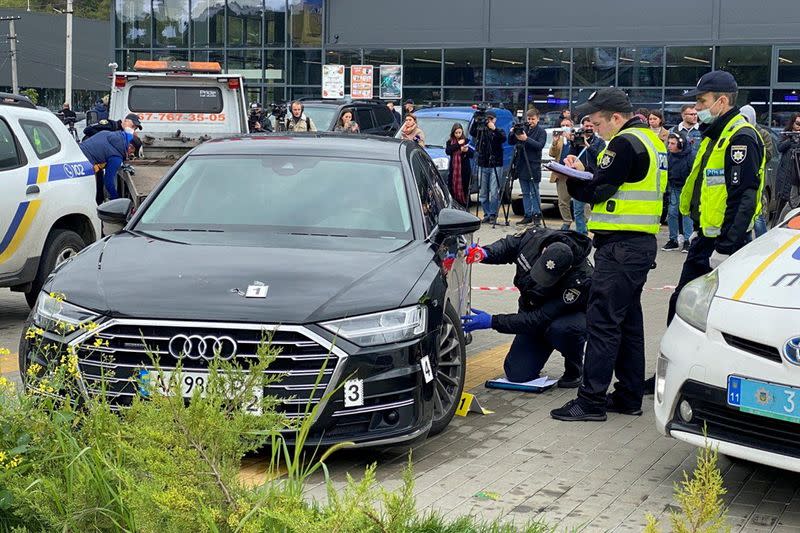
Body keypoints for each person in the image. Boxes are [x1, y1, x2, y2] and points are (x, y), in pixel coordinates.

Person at [550, 88, 666, 422]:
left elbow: (600, 189)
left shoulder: (623, 142)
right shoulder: (652, 141)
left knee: (602, 323)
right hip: (638, 245)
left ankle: (591, 401)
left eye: (598, 122)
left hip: (620, 248)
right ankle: (629, 396)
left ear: (616, 117)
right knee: (628, 323)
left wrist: (569, 178)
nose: (595, 129)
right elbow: (615, 180)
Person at [667, 70, 765, 325]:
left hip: (723, 244)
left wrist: (725, 247)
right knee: (684, 305)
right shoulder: (715, 133)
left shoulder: (740, 137)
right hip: (706, 237)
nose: (698, 107)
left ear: (721, 101)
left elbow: (744, 197)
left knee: (699, 310)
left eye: (702, 101)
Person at [461, 227, 593, 388]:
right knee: (517, 374)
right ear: (544, 251)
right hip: (532, 310)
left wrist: (493, 321)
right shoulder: (534, 238)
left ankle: (575, 368)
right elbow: (508, 246)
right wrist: (485, 252)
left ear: (566, 269)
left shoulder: (580, 280)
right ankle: (541, 344)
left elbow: (539, 318)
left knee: (562, 330)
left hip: (563, 318)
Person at [508, 108, 547, 226]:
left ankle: (536, 215)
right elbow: (511, 142)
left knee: (534, 191)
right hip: (522, 165)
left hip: (533, 164)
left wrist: (526, 139)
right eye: (529, 119)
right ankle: (527, 214)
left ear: (538, 119)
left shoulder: (541, 132)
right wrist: (512, 132)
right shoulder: (523, 129)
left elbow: (539, 145)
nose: (530, 121)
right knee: (525, 192)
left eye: (533, 119)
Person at [740, 105, 774, 237]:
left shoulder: (763, 134)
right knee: (743, 214)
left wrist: (754, 152)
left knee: (757, 214)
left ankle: (762, 240)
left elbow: (769, 155)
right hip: (741, 176)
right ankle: (746, 242)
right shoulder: (739, 132)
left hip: (757, 177)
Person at [570, 115, 606, 235]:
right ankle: (581, 234)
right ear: (582, 127)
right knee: (578, 210)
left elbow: (600, 157)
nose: (589, 128)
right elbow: (571, 157)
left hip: (594, 177)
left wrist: (588, 146)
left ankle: (597, 232)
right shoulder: (577, 139)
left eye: (591, 126)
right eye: (587, 126)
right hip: (579, 177)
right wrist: (574, 143)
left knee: (595, 208)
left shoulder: (599, 142)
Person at [470, 110, 507, 224]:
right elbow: (472, 132)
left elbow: (503, 138)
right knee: (483, 192)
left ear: (494, 120)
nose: (489, 121)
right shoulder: (481, 131)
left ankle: (493, 214)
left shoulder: (498, 130)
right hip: (483, 163)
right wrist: (476, 121)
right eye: (487, 119)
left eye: (491, 119)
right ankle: (486, 213)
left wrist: (493, 129)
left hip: (495, 164)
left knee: (494, 192)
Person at [79, 129, 133, 204]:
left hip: (76, 153)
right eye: (132, 153)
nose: (130, 155)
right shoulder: (116, 157)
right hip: (84, 166)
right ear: (130, 146)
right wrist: (116, 199)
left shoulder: (106, 133)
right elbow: (108, 182)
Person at [662, 131, 695, 252]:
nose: (669, 146)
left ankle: (688, 240)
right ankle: (673, 240)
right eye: (669, 143)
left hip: (687, 187)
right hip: (674, 187)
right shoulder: (668, 156)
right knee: (672, 212)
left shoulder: (691, 156)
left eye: (673, 143)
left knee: (686, 214)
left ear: (680, 145)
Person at [549, 118, 575, 229]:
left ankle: (584, 222)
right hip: (561, 173)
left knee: (581, 201)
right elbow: (552, 153)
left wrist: (571, 139)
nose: (565, 127)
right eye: (563, 125)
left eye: (567, 125)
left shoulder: (576, 137)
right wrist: (555, 141)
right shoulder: (559, 139)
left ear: (572, 126)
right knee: (563, 200)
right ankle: (566, 221)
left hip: (575, 172)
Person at [775, 112, 800, 223]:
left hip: (796, 179)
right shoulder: (786, 135)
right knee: (782, 207)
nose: (799, 126)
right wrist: (791, 139)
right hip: (785, 177)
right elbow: (779, 147)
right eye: (797, 123)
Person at [445, 123, 473, 206]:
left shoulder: (467, 141)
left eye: (459, 133)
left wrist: (466, 151)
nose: (458, 135)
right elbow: (448, 151)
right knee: (452, 187)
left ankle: (465, 204)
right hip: (454, 170)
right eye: (456, 133)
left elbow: (472, 154)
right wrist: (458, 145)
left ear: (462, 132)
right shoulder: (450, 142)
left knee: (465, 188)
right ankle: (455, 204)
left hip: (464, 169)